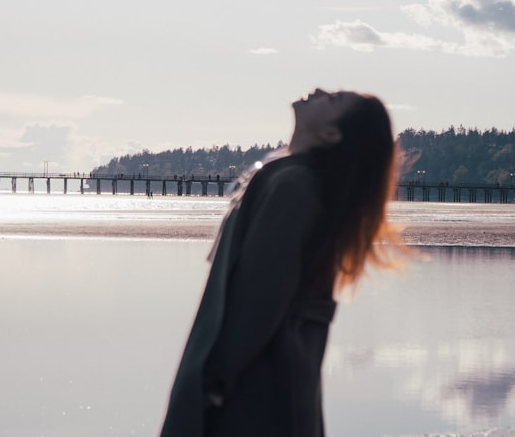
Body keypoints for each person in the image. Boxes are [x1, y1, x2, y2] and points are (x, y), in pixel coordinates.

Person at [159, 88, 400, 437]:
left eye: (332, 99)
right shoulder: (293, 178)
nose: (318, 91)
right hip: (268, 381)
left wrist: (212, 381)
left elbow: (261, 296)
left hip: (254, 388)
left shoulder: (295, 185)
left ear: (331, 134)